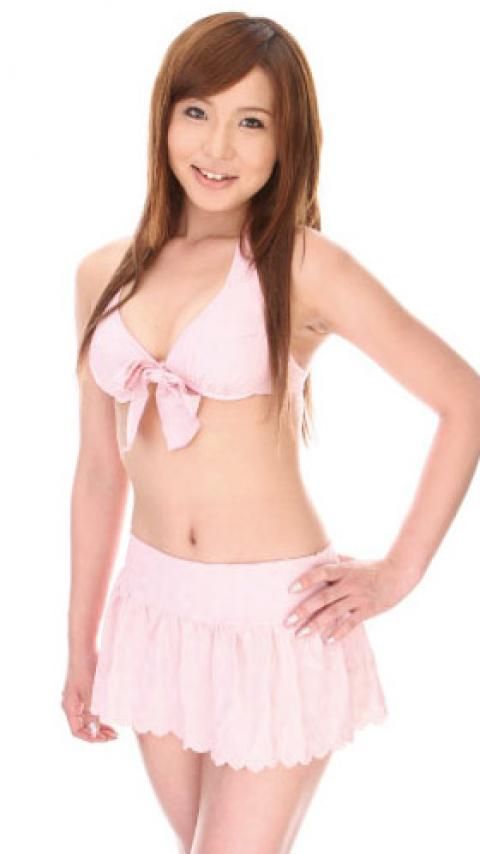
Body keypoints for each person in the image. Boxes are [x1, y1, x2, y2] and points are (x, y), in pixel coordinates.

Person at [61, 12, 480, 854]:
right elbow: (101, 471)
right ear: (163, 117)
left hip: (277, 622)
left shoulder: (302, 264)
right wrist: (80, 647)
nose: (218, 146)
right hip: (154, 611)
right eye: (197, 112)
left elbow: (464, 401)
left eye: (251, 122)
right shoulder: (103, 274)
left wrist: (398, 573)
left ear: (287, 142)